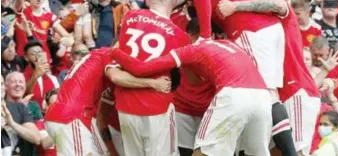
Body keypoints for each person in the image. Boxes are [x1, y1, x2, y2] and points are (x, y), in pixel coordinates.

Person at [158, 0, 297, 155]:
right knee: (266, 94)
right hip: (270, 24)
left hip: (248, 28)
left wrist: (205, 35)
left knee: (264, 95)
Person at [111, 19, 273, 156]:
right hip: (263, 97)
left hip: (233, 95)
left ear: (190, 35)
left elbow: (142, 68)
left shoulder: (193, 49)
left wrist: (116, 53)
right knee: (256, 153)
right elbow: (197, 80)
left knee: (204, 150)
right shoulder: (230, 45)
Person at [218, 0, 321, 156]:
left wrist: (235, 6)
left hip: (296, 91)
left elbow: (279, 4)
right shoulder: (249, 30)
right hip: (276, 97)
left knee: (296, 152)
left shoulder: (282, 17)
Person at [105, 0, 191, 156]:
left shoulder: (130, 16)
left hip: (125, 105)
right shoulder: (180, 36)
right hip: (156, 105)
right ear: (174, 2)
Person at [44, 47, 170, 156]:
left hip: (70, 117)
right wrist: (152, 83)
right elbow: (116, 77)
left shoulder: (95, 56)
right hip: (72, 118)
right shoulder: (109, 54)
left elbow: (100, 118)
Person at [2, 74, 41, 156]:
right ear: (7, 86)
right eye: (13, 82)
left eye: (1, 84)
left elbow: (36, 138)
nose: (18, 84)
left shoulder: (21, 107)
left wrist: (12, 123)